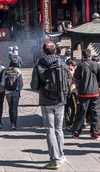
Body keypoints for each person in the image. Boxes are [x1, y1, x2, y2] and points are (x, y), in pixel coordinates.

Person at [31, 40, 72, 170]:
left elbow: (34, 85)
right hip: (60, 99)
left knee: (50, 129)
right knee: (59, 129)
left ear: (43, 51)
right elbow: (70, 80)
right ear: (55, 51)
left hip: (46, 100)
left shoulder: (39, 65)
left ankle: (54, 159)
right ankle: (61, 154)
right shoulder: (62, 64)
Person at [71, 48, 100, 140]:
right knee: (95, 113)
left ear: (82, 56)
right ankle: (95, 133)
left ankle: (76, 132)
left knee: (81, 113)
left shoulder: (80, 66)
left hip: (83, 93)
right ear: (90, 55)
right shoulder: (97, 65)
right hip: (95, 92)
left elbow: (76, 78)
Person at [2, 58, 23, 130]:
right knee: (15, 108)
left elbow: (3, 83)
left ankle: (11, 122)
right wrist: (18, 90)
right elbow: (21, 83)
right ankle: (14, 123)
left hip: (8, 92)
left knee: (10, 108)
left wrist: (6, 88)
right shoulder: (19, 71)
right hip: (16, 92)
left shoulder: (6, 71)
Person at [64, 60, 78, 130]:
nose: (73, 67)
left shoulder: (73, 70)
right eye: (73, 65)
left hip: (74, 90)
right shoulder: (66, 71)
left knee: (73, 107)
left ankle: (71, 122)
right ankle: (68, 123)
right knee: (67, 107)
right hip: (68, 91)